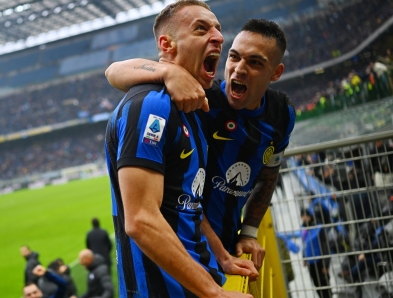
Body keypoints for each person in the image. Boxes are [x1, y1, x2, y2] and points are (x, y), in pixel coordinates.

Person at [105, 17, 295, 270]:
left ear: (276, 73)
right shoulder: (200, 100)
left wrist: (249, 232)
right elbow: (114, 71)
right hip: (189, 252)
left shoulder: (282, 114)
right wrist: (167, 71)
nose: (238, 69)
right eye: (234, 57)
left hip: (228, 249)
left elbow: (269, 176)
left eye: (255, 63)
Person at [105, 1, 255, 297]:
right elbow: (141, 221)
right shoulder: (151, 107)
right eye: (201, 28)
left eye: (218, 29)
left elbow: (189, 203)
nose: (218, 37)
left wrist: (222, 257)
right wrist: (215, 294)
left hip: (201, 283)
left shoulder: (192, 108)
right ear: (167, 45)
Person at [301, 209, 332, 298]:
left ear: (310, 216)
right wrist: (304, 258)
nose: (303, 218)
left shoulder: (318, 228)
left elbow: (325, 246)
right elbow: (304, 245)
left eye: (305, 215)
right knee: (317, 286)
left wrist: (326, 265)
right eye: (302, 216)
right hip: (311, 263)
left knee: (325, 286)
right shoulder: (304, 230)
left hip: (320, 262)